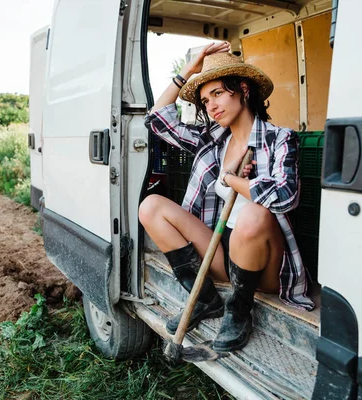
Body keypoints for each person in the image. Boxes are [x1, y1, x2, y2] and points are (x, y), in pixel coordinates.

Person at [139, 42, 315, 352]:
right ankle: (205, 299)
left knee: (254, 212)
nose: (211, 106)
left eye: (218, 93)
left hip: (265, 268)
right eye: (205, 100)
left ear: (243, 89)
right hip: (221, 254)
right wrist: (187, 72)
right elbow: (157, 121)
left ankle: (238, 311)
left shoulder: (279, 139)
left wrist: (233, 179)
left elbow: (285, 197)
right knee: (151, 207)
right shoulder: (212, 141)